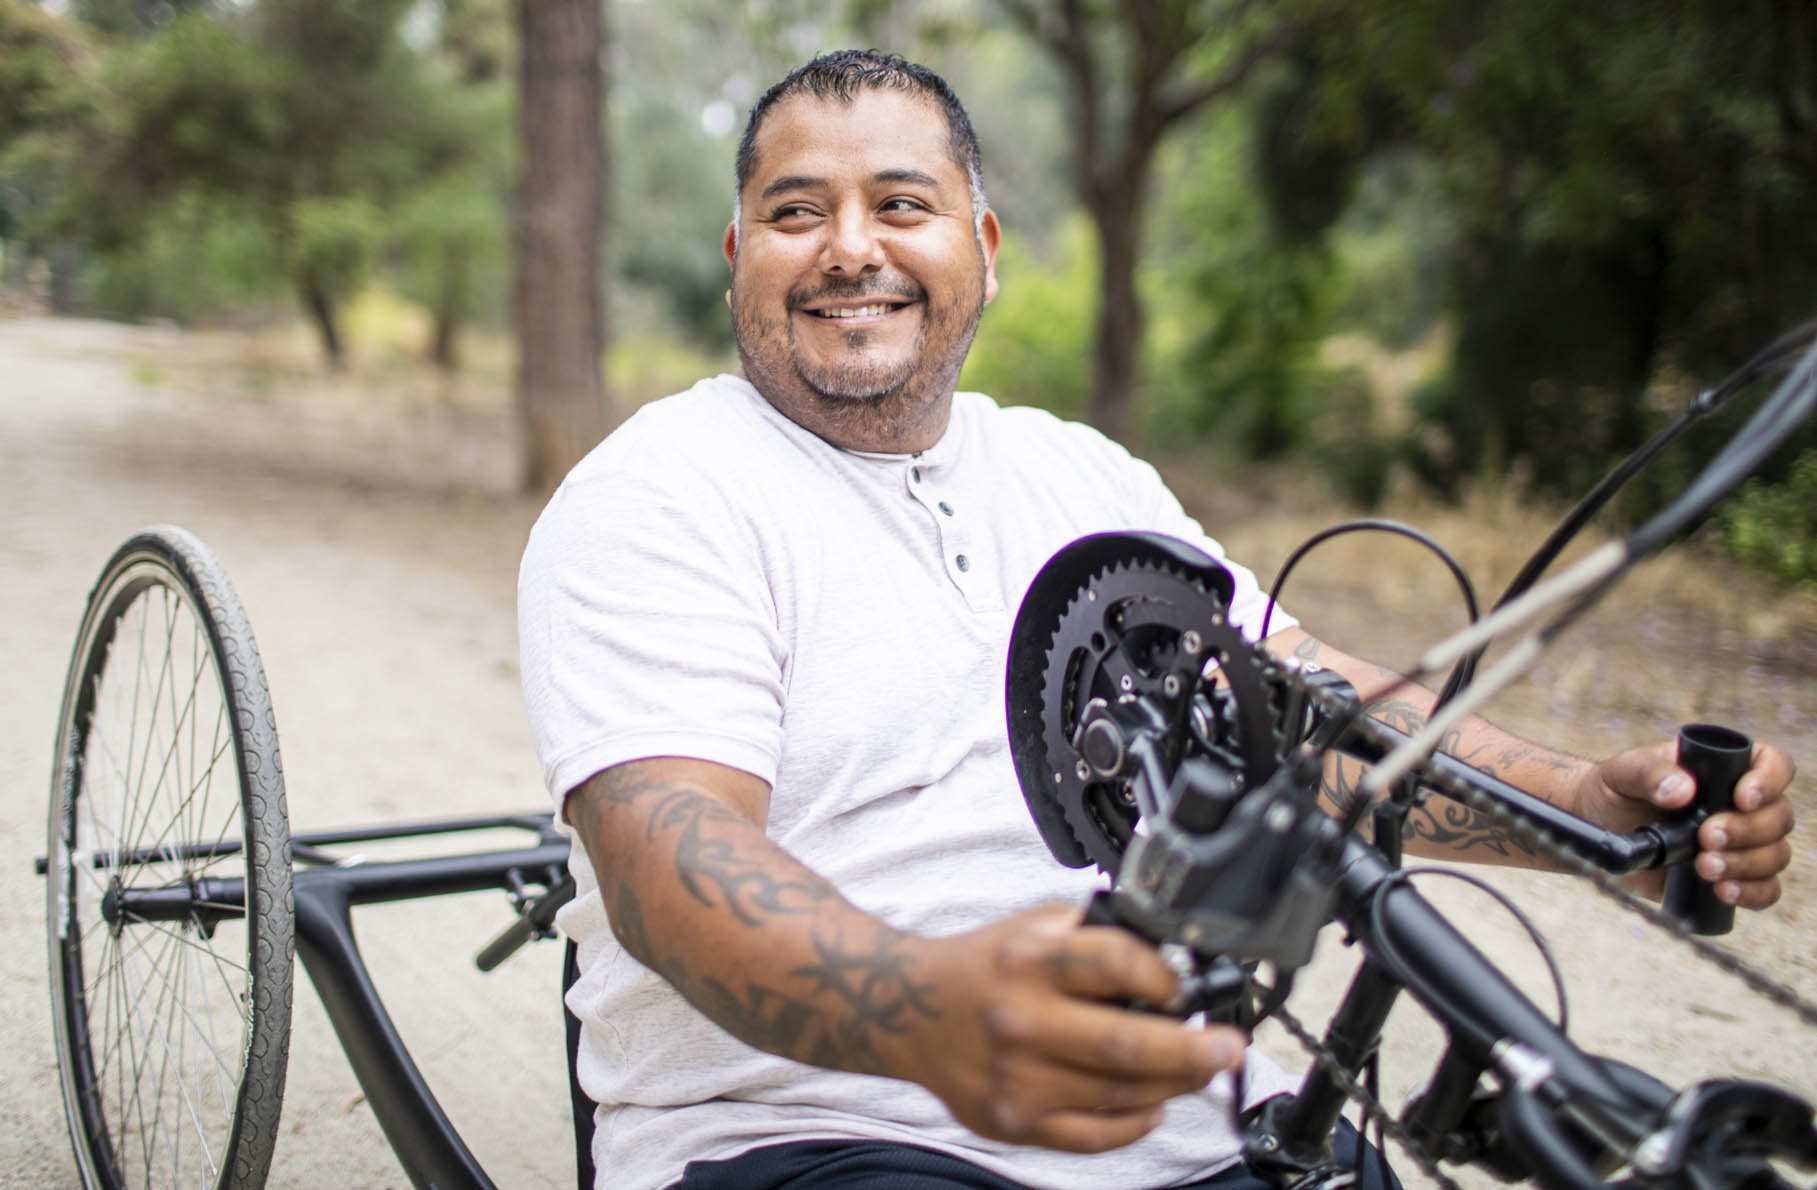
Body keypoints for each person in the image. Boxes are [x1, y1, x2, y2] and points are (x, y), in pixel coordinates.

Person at [517, 50, 1797, 1190]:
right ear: (740, 258)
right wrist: (925, 1012)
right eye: (797, 214)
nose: (850, 247)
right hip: (815, 1133)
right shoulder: (660, 490)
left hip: (1199, 1137)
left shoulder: (1084, 476)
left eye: (900, 205)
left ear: (985, 245)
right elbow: (664, 852)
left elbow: (1302, 717)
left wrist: (1591, 809)